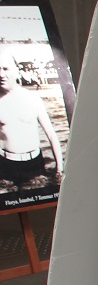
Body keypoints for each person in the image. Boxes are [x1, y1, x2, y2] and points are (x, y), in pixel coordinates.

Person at [0, 49, 63, 189]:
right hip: (5, 166)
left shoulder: (33, 99)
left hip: (34, 165)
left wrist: (59, 169)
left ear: (16, 71)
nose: (1, 74)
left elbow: (52, 135)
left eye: (5, 68)